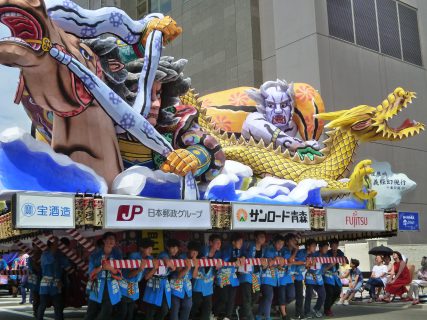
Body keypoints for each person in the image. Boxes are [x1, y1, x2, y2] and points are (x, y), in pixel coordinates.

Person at [84, 232, 123, 320]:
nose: (111, 241)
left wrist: (111, 269)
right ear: (104, 241)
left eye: (113, 239)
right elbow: (91, 273)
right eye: (109, 238)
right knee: (91, 312)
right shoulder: (95, 254)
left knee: (107, 311)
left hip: (111, 287)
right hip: (97, 285)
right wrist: (102, 267)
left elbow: (120, 274)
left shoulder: (117, 254)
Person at [144, 239, 179, 320]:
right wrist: (173, 267)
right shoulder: (163, 253)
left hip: (164, 284)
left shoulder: (173, 257)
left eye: (176, 248)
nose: (175, 250)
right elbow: (167, 262)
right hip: (154, 282)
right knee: (151, 309)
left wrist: (173, 267)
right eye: (173, 247)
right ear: (167, 247)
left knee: (164, 309)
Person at [37, 237, 70, 320]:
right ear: (51, 245)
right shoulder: (45, 255)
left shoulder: (60, 255)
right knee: (43, 304)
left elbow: (66, 265)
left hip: (56, 284)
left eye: (57, 244)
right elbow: (49, 261)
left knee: (58, 306)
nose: (57, 246)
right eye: (55, 244)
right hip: (45, 284)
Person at [190, 234, 222, 320]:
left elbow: (217, 272)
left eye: (220, 243)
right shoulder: (203, 251)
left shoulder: (218, 255)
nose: (219, 244)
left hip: (208, 286)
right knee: (195, 304)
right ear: (210, 243)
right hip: (198, 285)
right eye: (217, 242)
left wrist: (218, 267)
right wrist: (200, 258)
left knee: (207, 308)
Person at [214, 233, 244, 320]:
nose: (241, 244)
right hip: (223, 275)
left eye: (242, 242)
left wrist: (243, 257)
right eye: (239, 242)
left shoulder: (238, 250)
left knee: (231, 298)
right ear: (233, 242)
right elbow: (225, 258)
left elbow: (244, 254)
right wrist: (236, 260)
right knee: (224, 298)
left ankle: (228, 317)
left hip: (232, 276)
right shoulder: (227, 248)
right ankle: (214, 313)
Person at [118, 239, 149, 320]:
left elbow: (144, 276)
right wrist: (140, 269)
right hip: (124, 286)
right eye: (148, 248)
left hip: (134, 287)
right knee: (123, 312)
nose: (151, 250)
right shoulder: (134, 256)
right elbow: (129, 274)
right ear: (142, 248)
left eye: (151, 248)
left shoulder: (149, 258)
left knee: (131, 313)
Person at [170, 240, 201, 320]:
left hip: (187, 286)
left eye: (197, 251)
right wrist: (187, 268)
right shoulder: (181, 258)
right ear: (189, 250)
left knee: (188, 306)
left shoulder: (195, 260)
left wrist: (196, 266)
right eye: (193, 251)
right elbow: (179, 276)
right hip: (176, 284)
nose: (195, 253)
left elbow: (194, 276)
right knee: (175, 307)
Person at [257, 234, 285, 320]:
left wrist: (278, 260)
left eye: (282, 244)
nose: (280, 246)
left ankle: (258, 315)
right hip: (265, 277)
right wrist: (276, 258)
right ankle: (267, 317)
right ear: (275, 243)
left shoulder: (278, 251)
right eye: (279, 243)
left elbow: (279, 264)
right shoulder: (269, 249)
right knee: (269, 296)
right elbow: (269, 263)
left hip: (272, 278)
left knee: (266, 297)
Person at [240, 231, 267, 320]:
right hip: (247, 274)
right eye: (261, 236)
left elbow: (265, 263)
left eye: (264, 237)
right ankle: (250, 317)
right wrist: (243, 256)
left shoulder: (264, 249)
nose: (263, 238)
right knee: (247, 296)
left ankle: (243, 313)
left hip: (256, 275)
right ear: (256, 237)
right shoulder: (248, 245)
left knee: (256, 296)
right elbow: (241, 252)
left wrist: (265, 264)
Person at [304, 240, 327, 319]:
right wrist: (311, 264)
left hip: (319, 279)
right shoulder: (313, 254)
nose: (326, 249)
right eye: (325, 247)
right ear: (320, 248)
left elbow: (324, 268)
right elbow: (306, 266)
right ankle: (307, 312)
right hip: (310, 277)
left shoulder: (326, 256)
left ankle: (316, 309)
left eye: (327, 247)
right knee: (309, 295)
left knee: (323, 295)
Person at [323, 239, 344, 316]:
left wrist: (341, 259)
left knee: (337, 291)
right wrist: (331, 264)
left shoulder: (340, 252)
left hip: (335, 275)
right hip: (327, 275)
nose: (334, 247)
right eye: (333, 245)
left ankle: (328, 307)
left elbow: (343, 259)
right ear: (330, 246)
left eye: (336, 245)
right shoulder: (327, 253)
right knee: (330, 292)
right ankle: (327, 309)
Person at [278, 234, 297, 320]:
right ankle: (284, 315)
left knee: (292, 295)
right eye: (292, 240)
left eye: (294, 240)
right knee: (282, 296)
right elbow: (290, 260)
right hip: (281, 277)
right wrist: (296, 249)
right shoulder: (285, 250)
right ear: (287, 242)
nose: (294, 242)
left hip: (289, 277)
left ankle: (281, 307)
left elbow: (293, 263)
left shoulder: (292, 250)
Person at [291, 240, 308, 320]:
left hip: (298, 277)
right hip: (290, 276)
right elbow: (292, 262)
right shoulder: (290, 251)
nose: (297, 246)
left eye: (298, 244)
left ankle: (299, 314)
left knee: (300, 296)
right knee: (289, 295)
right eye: (295, 244)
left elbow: (303, 264)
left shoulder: (302, 252)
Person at [28, 246, 42, 317]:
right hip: (35, 280)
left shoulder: (42, 255)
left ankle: (38, 311)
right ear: (33, 246)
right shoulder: (31, 258)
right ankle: (36, 311)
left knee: (40, 297)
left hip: (42, 279)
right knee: (36, 297)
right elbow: (31, 269)